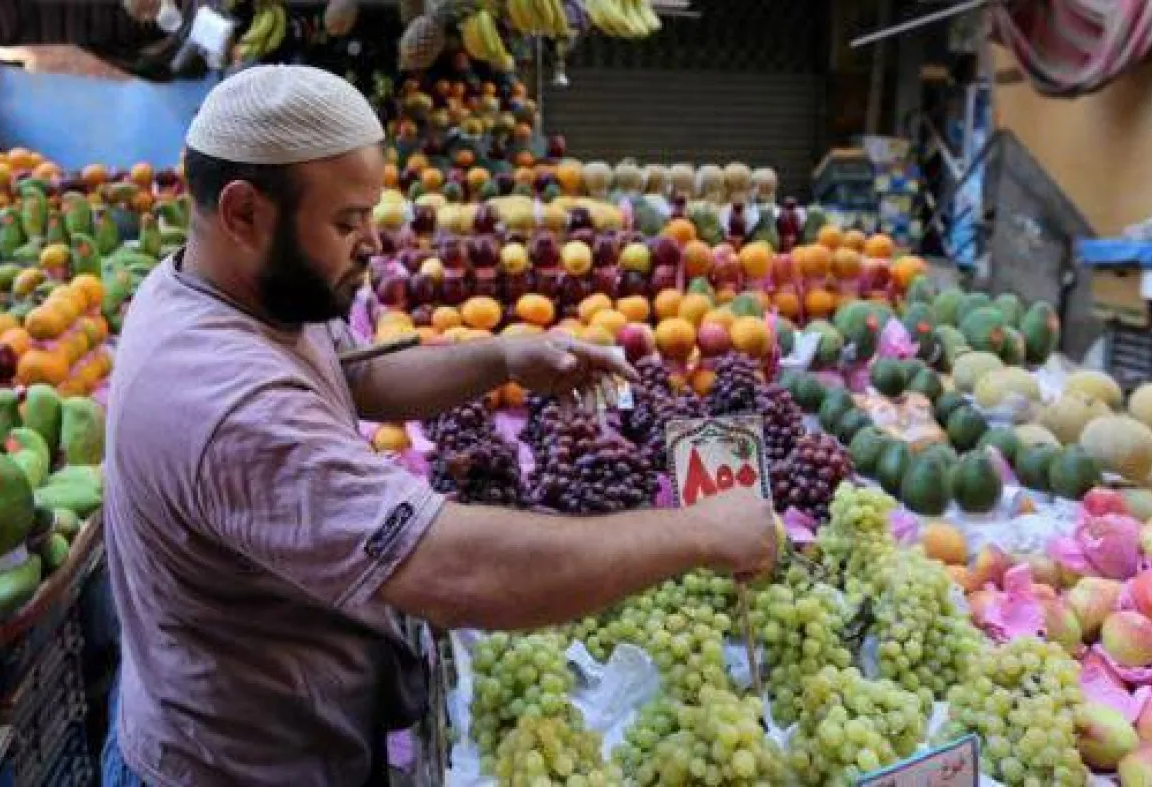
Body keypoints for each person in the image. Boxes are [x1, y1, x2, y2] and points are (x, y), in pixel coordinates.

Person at [100, 65, 777, 787]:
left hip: (284, 726)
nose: (373, 245)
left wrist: (503, 356)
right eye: (345, 222)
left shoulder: (230, 286)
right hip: (238, 768)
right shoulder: (221, 398)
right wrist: (698, 532)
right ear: (242, 212)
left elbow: (351, 377)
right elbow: (453, 568)